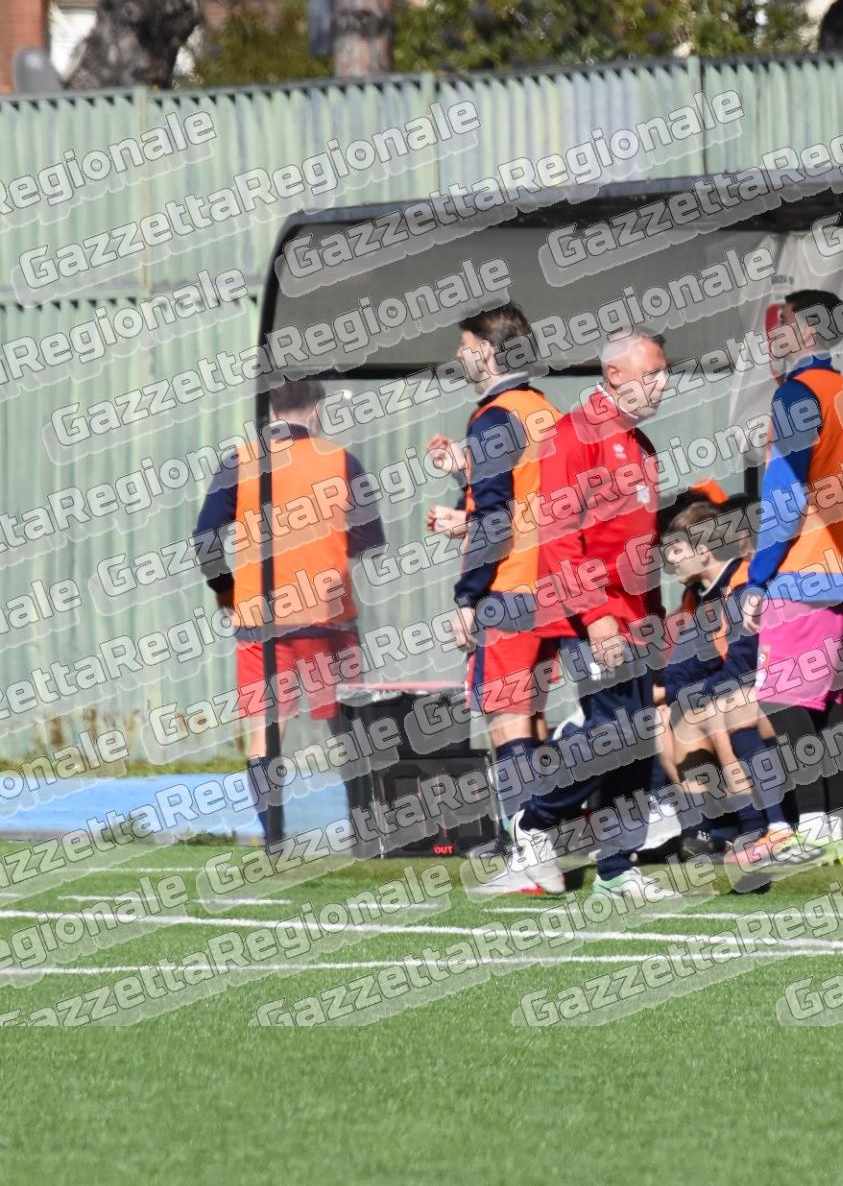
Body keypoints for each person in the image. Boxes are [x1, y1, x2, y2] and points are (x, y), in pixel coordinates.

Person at [476, 327, 681, 901]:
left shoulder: (640, 444)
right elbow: (559, 536)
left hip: (635, 619)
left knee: (636, 739)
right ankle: (535, 821)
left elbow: (641, 548)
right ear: (615, 375)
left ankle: (616, 866)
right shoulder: (574, 434)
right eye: (653, 372)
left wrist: (655, 623)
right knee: (614, 732)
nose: (664, 382)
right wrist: (596, 615)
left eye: (664, 372)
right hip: (591, 616)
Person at [193, 379, 384, 847]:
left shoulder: (241, 461)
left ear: (270, 412)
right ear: (316, 409)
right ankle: (364, 831)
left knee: (266, 732)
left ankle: (275, 837)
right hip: (329, 618)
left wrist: (226, 592)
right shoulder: (341, 461)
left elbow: (205, 538)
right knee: (347, 729)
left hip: (260, 619)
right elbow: (369, 539)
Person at [734, 290, 843, 869]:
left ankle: (813, 828)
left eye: (785, 321)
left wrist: (757, 577)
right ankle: (830, 828)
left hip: (803, 571)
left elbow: (785, 497)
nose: (776, 331)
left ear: (809, 330)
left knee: (784, 700)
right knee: (821, 705)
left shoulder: (797, 393)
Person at [425, 305, 565, 871]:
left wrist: (468, 595)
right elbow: (531, 501)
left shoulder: (493, 417)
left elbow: (497, 517)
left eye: (464, 346)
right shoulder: (545, 410)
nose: (458, 356)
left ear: (486, 351)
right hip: (553, 583)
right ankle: (544, 836)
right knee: (531, 716)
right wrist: (465, 474)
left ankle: (529, 845)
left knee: (507, 721)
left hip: (508, 586)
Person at [657, 497, 767, 862]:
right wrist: (670, 693)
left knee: (712, 710)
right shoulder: (700, 597)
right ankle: (699, 830)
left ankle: (753, 828)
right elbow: (681, 669)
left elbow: (742, 671)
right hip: (741, 694)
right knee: (663, 717)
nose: (669, 560)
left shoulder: (743, 585)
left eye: (676, 550)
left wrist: (685, 694)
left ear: (703, 552)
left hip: (784, 695)